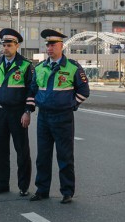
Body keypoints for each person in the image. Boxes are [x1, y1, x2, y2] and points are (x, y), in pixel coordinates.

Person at [29, 29, 90, 204]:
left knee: (64, 156)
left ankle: (67, 191)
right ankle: (42, 190)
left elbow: (84, 91)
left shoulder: (72, 67)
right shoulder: (40, 68)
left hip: (63, 117)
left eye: (53, 45)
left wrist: (72, 105)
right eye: (47, 45)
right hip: (44, 117)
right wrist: (30, 108)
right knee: (43, 156)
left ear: (61, 46)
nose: (49, 48)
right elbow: (33, 90)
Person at [0, 28, 35, 197]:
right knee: (2, 151)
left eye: (9, 45)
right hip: (0, 113)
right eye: (4, 45)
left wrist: (27, 111)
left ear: (17, 46)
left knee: (22, 151)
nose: (6, 48)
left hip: (18, 113)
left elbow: (31, 91)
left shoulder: (26, 66)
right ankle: (2, 184)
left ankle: (23, 186)